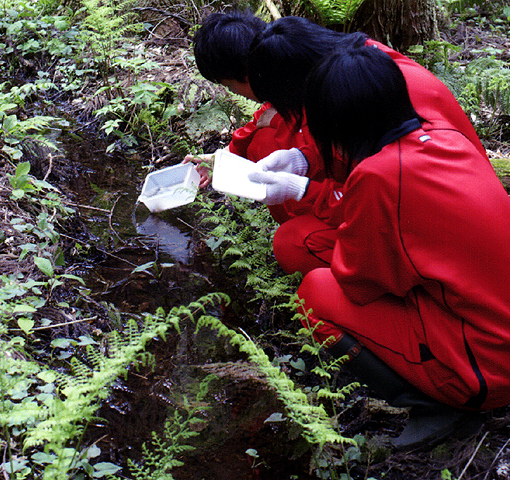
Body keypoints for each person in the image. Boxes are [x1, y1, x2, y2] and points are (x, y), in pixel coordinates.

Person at [278, 44, 510, 449]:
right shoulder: (445, 137)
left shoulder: (379, 176)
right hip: (491, 329)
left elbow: (360, 285)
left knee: (313, 293)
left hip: (486, 371)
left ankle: (434, 402)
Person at [245, 16, 490, 276]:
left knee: (302, 258)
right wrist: (304, 158)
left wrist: (304, 191)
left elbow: (384, 196)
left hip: (440, 242)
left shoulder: (389, 92)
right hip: (438, 218)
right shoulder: (363, 67)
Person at [184, 12, 320, 231]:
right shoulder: (281, 71)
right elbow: (259, 122)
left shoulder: (329, 88)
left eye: (229, 85)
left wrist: (298, 188)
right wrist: (220, 159)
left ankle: (314, 228)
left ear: (245, 75)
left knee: (291, 245)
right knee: (262, 139)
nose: (235, 93)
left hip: (357, 196)